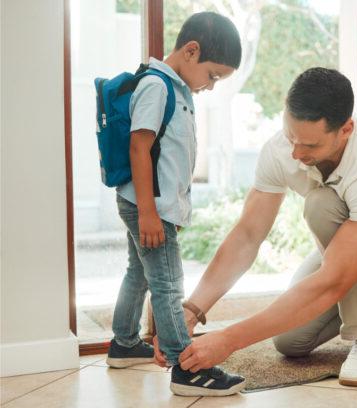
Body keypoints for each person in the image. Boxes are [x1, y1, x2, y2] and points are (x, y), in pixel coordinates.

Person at [155, 67, 357, 387]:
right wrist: (192, 310)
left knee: (321, 206)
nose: (296, 153)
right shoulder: (281, 149)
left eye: (309, 145)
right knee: (290, 341)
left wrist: (228, 339)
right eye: (290, 136)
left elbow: (333, 281)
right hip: (353, 238)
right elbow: (248, 235)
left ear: (346, 129)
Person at [105, 11, 246, 397]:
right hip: (146, 207)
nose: (212, 86)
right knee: (167, 284)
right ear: (191, 50)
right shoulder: (158, 86)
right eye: (213, 75)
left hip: (151, 207)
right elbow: (140, 146)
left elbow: (171, 159)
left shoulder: (178, 89)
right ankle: (186, 366)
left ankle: (123, 343)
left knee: (140, 273)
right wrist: (151, 213)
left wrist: (171, 210)